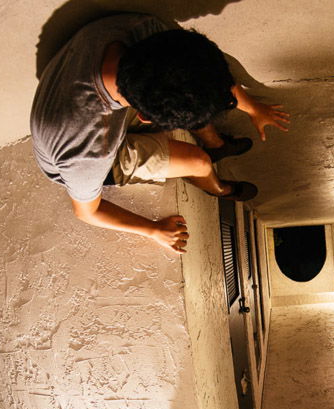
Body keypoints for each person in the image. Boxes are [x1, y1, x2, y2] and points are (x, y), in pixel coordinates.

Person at [30, 13, 289, 254]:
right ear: (146, 117)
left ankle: (216, 144)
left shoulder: (145, 36)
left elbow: (203, 74)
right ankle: (220, 188)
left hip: (106, 105)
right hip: (98, 151)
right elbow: (88, 212)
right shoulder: (85, 152)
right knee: (199, 163)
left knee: (191, 98)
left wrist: (254, 108)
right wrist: (153, 230)